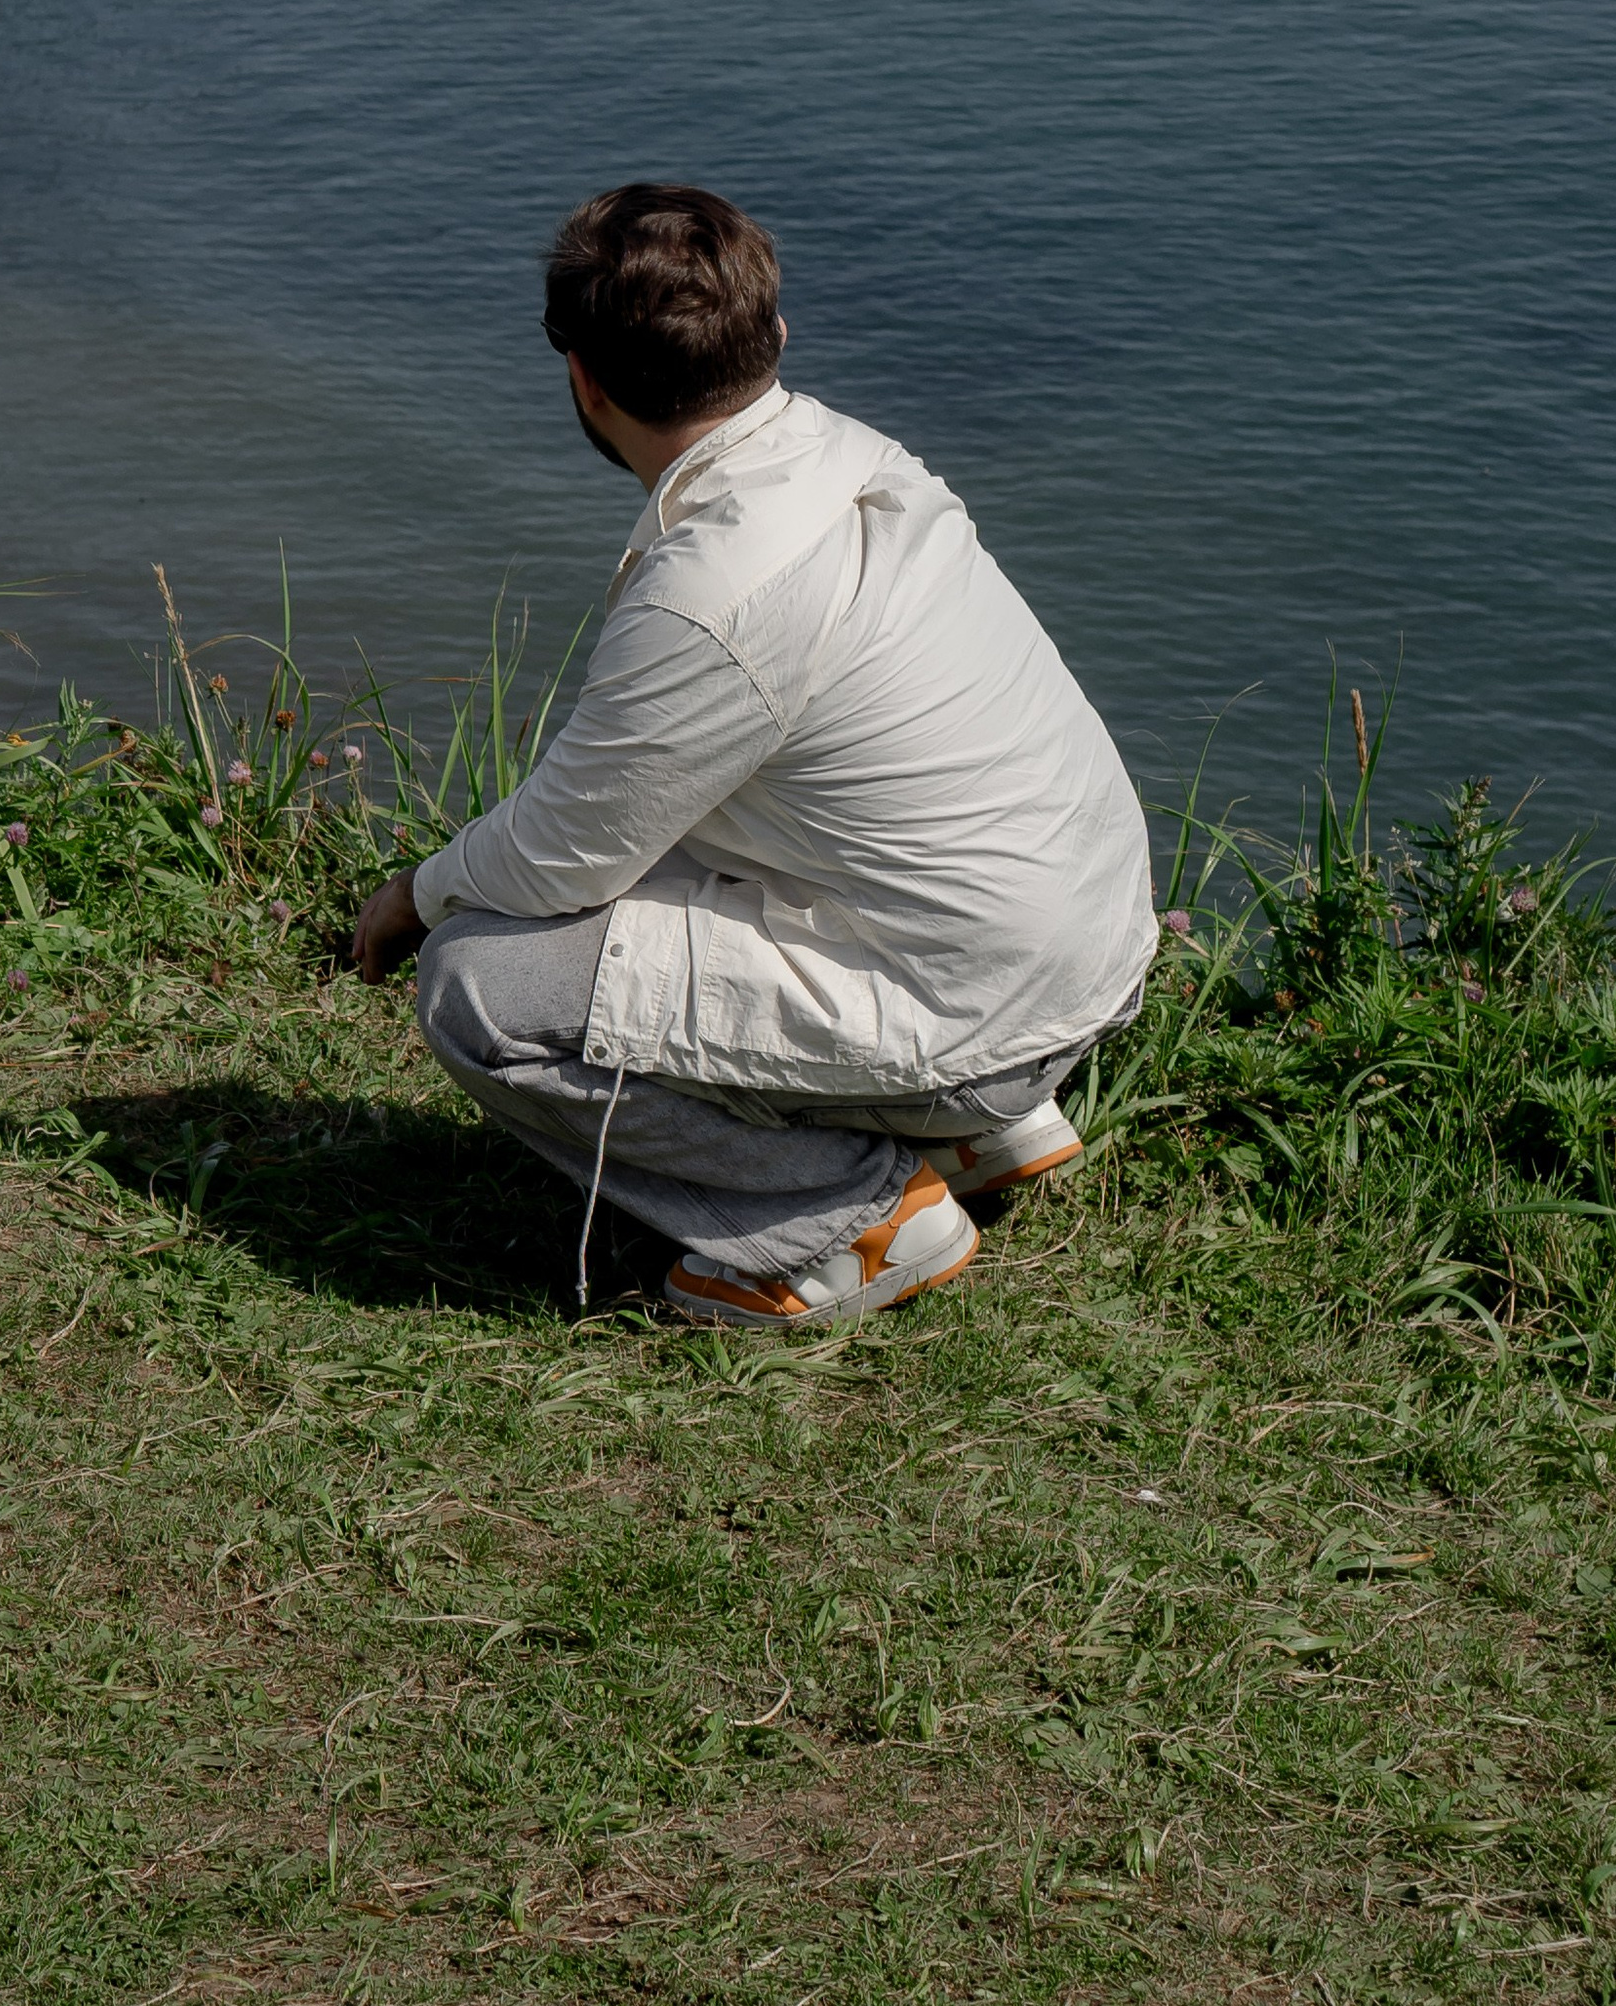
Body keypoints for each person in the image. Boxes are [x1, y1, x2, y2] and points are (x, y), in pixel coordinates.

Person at [348, 185, 1156, 1334]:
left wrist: (415, 893)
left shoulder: (712, 595)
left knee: (480, 983)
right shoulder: (854, 458)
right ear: (771, 337)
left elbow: (563, 859)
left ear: (582, 380)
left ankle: (849, 1221)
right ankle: (973, 1128)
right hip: (1077, 953)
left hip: (984, 1016)